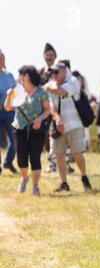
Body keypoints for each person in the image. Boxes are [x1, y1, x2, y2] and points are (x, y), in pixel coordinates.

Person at [44, 62, 92, 192]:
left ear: (64, 72)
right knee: (59, 155)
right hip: (59, 126)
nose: (53, 75)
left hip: (74, 124)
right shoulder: (51, 85)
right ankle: (64, 183)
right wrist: (57, 118)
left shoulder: (73, 81)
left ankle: (84, 176)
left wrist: (47, 88)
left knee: (77, 154)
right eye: (51, 73)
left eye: (56, 72)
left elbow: (61, 92)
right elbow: (51, 106)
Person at [4, 65, 51, 195]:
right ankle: (24, 178)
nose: (21, 77)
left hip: (37, 129)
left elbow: (48, 109)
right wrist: (8, 96)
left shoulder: (41, 92)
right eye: (21, 75)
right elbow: (8, 108)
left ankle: (35, 186)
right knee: (21, 158)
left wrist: (40, 119)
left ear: (31, 76)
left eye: (24, 74)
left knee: (35, 158)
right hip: (20, 128)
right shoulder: (18, 91)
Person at [40, 43, 59, 173]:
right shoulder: (40, 72)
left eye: (51, 55)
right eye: (47, 55)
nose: (49, 57)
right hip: (44, 109)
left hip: (58, 108)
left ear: (55, 56)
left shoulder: (60, 70)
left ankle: (65, 162)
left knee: (61, 135)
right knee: (46, 137)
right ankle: (51, 163)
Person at [0, 49, 18, 175]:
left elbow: (16, 93)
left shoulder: (9, 76)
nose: (1, 61)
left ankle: (8, 161)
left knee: (15, 138)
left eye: (2, 58)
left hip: (9, 112)